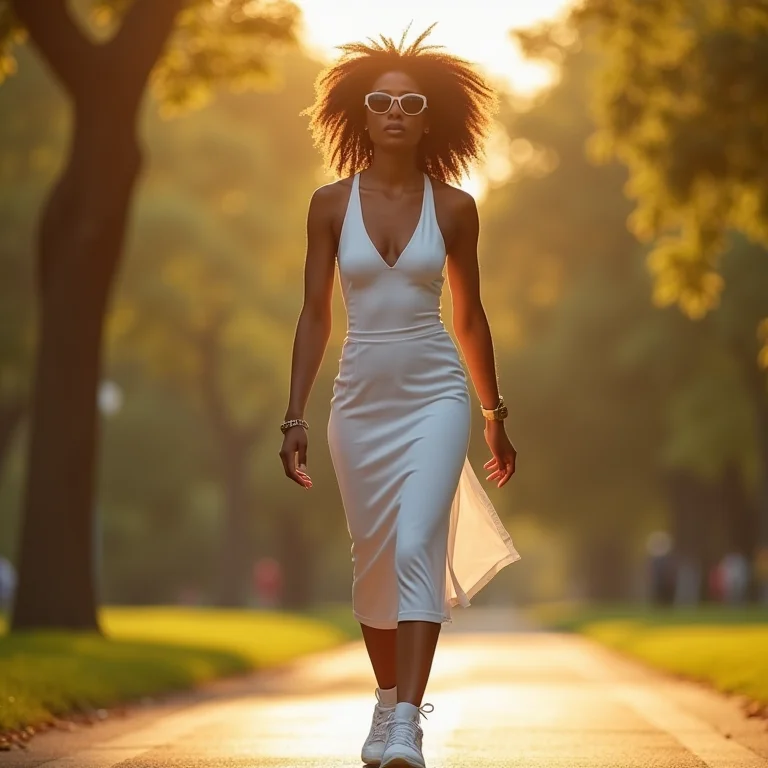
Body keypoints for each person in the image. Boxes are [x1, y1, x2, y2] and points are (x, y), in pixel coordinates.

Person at [279, 26, 521, 768]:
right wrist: (294, 414)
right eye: (379, 101)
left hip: (436, 393)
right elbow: (317, 312)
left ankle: (409, 722)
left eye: (409, 102)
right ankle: (386, 704)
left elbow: (469, 317)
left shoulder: (455, 208)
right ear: (361, 113)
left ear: (427, 118)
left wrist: (492, 414)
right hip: (358, 399)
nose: (393, 111)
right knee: (373, 560)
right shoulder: (327, 204)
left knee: (418, 543)